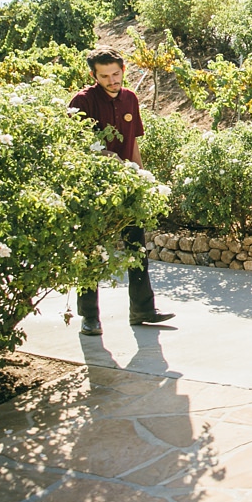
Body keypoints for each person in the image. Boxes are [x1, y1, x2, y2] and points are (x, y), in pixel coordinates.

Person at [69, 50, 174, 335]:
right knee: (91, 251)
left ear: (123, 69)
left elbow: (133, 142)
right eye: (104, 76)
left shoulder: (130, 98)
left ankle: (142, 310)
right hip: (94, 188)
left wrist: (142, 176)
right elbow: (74, 144)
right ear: (93, 75)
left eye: (116, 74)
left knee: (136, 247)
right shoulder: (82, 101)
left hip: (128, 185)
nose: (112, 80)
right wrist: (104, 157)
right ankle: (89, 317)